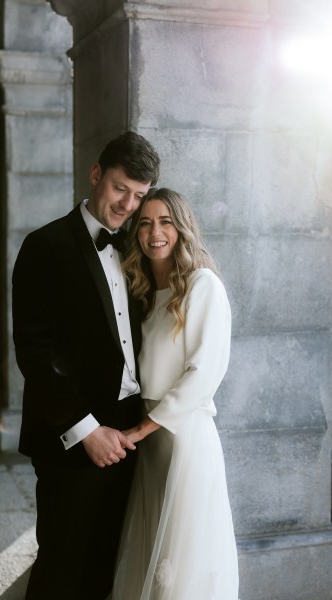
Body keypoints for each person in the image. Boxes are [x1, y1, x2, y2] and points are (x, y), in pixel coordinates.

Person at [12, 131, 160, 599]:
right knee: (60, 568)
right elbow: (34, 352)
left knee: (103, 566)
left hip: (127, 432)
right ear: (96, 175)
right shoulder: (45, 246)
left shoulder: (137, 248)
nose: (127, 205)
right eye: (121, 188)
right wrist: (86, 430)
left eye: (139, 196)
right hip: (71, 434)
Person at [112, 188, 239, 600]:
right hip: (150, 444)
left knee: (180, 563)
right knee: (151, 551)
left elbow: (203, 374)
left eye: (165, 221)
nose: (154, 232)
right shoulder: (145, 291)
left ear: (182, 228)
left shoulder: (204, 285)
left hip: (181, 438)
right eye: (145, 223)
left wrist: (144, 428)